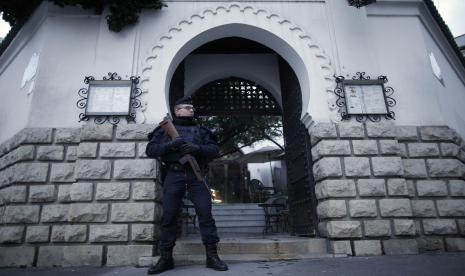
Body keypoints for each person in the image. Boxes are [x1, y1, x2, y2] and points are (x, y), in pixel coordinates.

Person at [145, 96, 228, 274]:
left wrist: (197, 149)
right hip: (174, 175)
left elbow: (214, 150)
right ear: (177, 111)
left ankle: (212, 257)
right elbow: (151, 150)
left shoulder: (201, 129)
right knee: (169, 216)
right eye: (187, 107)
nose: (191, 109)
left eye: (192, 107)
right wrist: (170, 144)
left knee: (205, 215)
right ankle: (166, 258)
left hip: (197, 176)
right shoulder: (164, 129)